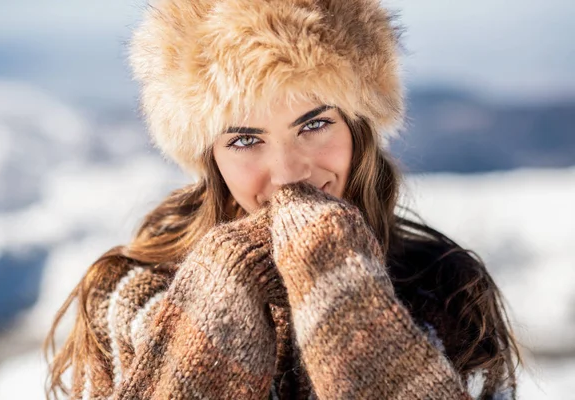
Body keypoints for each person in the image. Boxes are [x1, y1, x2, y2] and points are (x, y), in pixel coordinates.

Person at [44, 0, 522, 399]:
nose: (290, 173)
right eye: (245, 140)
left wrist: (354, 313)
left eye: (314, 125)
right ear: (210, 157)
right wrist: (218, 299)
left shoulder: (444, 288)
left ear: (359, 129)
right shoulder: (134, 294)